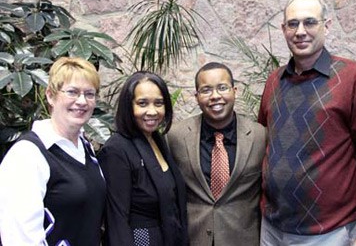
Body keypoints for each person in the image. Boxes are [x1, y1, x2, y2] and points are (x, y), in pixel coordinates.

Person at [257, 0, 356, 246]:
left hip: (330, 234)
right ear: (283, 29)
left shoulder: (355, 79)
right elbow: (265, 148)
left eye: (310, 22)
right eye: (293, 24)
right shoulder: (274, 82)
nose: (300, 31)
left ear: (327, 26)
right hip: (272, 230)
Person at [0, 57, 106, 246]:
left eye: (89, 94)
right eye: (72, 92)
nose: (82, 101)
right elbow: (20, 239)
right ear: (50, 95)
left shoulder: (84, 148)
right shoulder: (27, 155)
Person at [167, 62, 267, 246]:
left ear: (234, 90)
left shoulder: (260, 136)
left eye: (222, 88)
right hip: (193, 239)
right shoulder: (176, 137)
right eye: (206, 90)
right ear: (196, 97)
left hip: (243, 239)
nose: (215, 96)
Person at [97, 71, 188, 246]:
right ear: (128, 106)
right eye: (142, 103)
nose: (152, 111)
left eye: (159, 103)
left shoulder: (157, 140)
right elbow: (117, 220)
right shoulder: (116, 150)